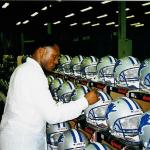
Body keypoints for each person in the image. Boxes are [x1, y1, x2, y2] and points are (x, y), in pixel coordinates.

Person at [0, 35, 99, 150]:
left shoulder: (22, 69)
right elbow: (52, 115)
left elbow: (36, 104)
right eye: (54, 56)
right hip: (23, 142)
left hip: (13, 138)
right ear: (41, 52)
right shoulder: (34, 74)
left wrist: (64, 106)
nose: (56, 61)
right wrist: (85, 101)